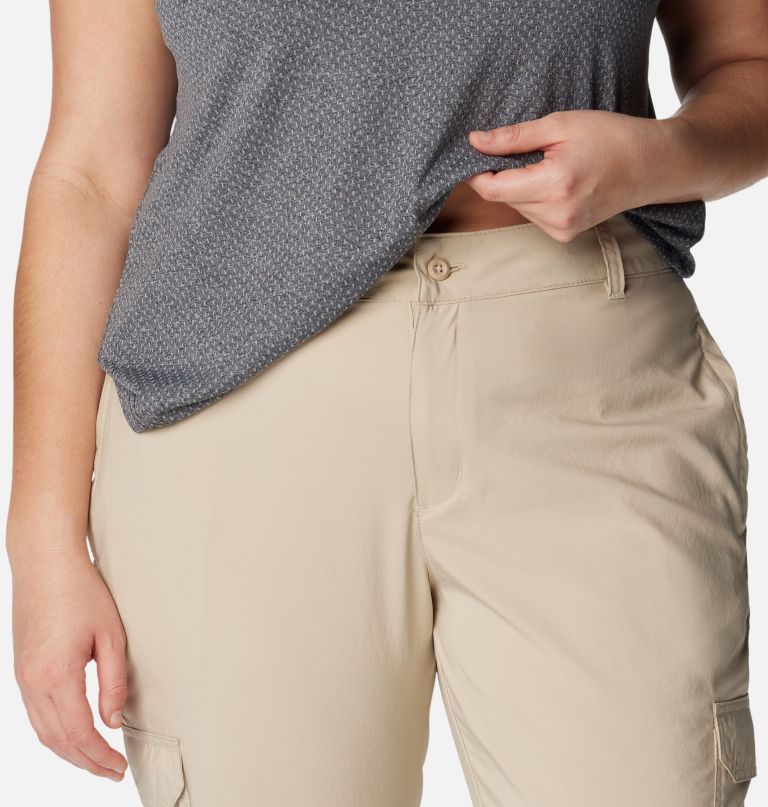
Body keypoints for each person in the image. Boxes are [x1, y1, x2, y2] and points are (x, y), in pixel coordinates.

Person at [6, 1, 767, 805]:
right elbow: (91, 174)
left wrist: (658, 157)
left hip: (589, 379)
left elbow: (747, 66)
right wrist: (41, 541)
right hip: (241, 400)